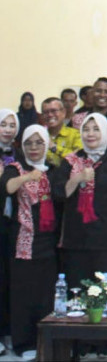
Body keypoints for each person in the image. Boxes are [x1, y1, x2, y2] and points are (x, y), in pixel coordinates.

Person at [53, 113, 107, 358]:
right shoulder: (70, 162)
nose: (90, 134)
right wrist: (77, 178)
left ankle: (104, 344)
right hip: (76, 240)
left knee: (105, 292)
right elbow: (58, 194)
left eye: (95, 129)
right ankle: (79, 344)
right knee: (77, 293)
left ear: (104, 133)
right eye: (86, 129)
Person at [0, 125, 57, 359]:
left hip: (48, 241)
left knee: (45, 295)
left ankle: (46, 341)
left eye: (39, 143)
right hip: (22, 240)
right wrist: (27, 177)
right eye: (29, 143)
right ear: (22, 146)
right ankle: (23, 343)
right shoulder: (15, 168)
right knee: (23, 295)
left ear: (46, 144)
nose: (34, 148)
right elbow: (6, 187)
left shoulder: (53, 169)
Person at [0, 109, 20, 355]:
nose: (6, 129)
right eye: (3, 124)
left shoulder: (21, 153)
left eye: (11, 124)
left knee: (10, 280)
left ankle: (9, 331)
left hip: (13, 224)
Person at [41, 97, 82, 167]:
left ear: (63, 112)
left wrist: (54, 147)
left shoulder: (75, 135)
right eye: (46, 112)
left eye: (54, 111)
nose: (50, 115)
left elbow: (79, 159)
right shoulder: (39, 136)